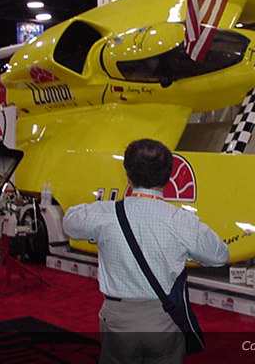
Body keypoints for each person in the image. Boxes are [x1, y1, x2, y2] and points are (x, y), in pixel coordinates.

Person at [63, 138, 229, 364]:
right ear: (168, 176)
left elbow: (69, 222)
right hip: (163, 317)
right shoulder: (180, 220)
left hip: (118, 318)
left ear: (128, 175)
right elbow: (220, 255)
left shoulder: (104, 214)